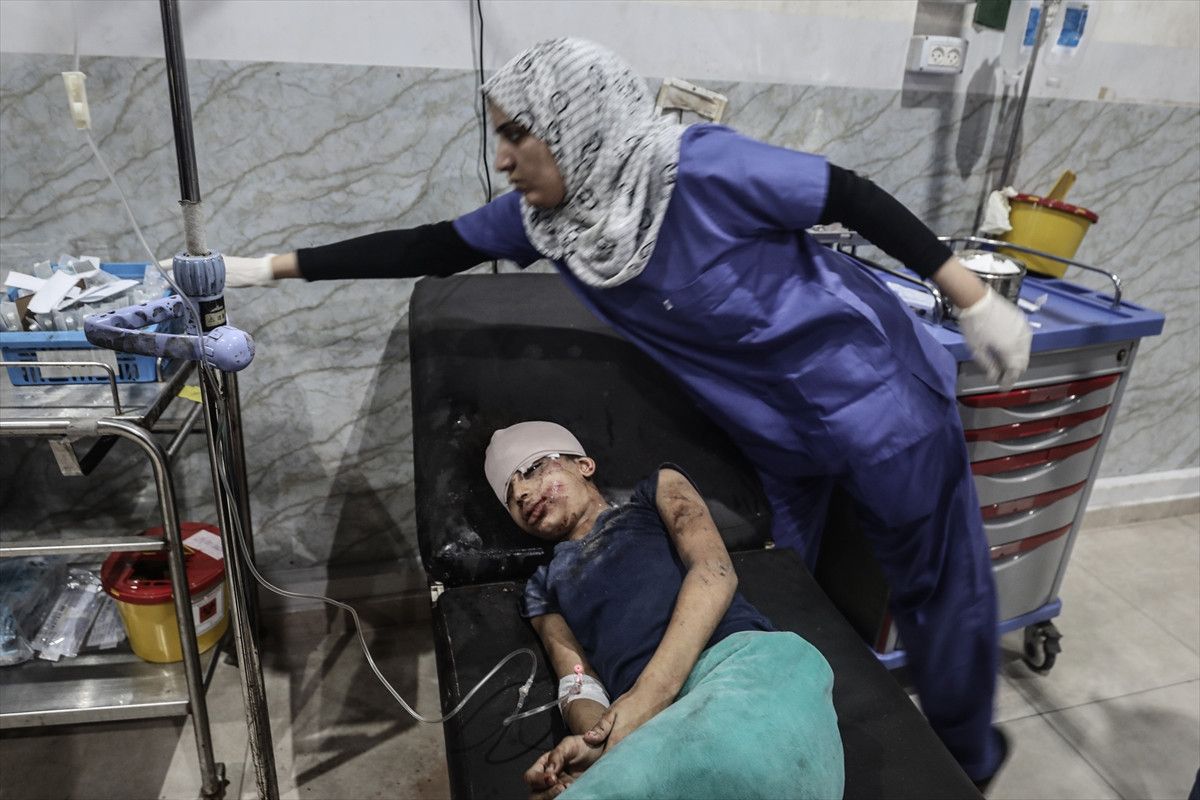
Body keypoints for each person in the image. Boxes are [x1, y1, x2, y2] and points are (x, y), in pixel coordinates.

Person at [217, 38, 1027, 785]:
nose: (502, 158)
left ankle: (966, 760)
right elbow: (425, 246)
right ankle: (785, 743)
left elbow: (848, 194)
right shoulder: (555, 224)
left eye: (518, 134)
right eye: (499, 137)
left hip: (874, 395)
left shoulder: (698, 168)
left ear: (576, 123)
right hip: (772, 431)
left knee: (936, 589)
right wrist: (259, 269)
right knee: (774, 582)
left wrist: (972, 297)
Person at [483, 420, 844, 799]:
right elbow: (579, 680)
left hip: (744, 668)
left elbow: (714, 572)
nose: (521, 493)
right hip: (662, 725)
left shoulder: (657, 490)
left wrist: (646, 696)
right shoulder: (543, 587)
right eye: (511, 496)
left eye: (533, 469)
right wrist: (601, 747)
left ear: (584, 466)